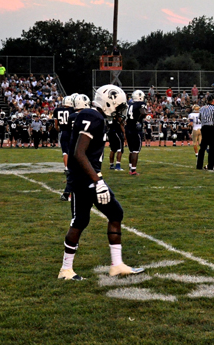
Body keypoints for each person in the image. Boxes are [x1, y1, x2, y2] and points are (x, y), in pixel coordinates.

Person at [58, 84, 144, 281]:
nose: (121, 111)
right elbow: (79, 153)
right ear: (108, 102)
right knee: (110, 214)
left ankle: (70, 269)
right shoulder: (93, 116)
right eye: (119, 106)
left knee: (84, 219)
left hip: (83, 177)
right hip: (86, 178)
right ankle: (110, 265)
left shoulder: (92, 116)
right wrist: (98, 181)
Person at [196, 95, 214, 170]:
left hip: (204, 128)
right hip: (211, 128)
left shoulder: (202, 108)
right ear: (213, 100)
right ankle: (211, 166)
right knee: (213, 148)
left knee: (202, 147)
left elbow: (200, 118)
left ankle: (199, 165)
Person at [126, 90, 147, 176]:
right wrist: (138, 120)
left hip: (128, 128)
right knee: (135, 151)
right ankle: (133, 171)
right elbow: (143, 112)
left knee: (131, 150)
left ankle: (130, 167)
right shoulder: (141, 104)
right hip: (135, 129)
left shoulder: (129, 104)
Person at [54, 95, 76, 175]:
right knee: (73, 150)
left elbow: (56, 124)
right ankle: (74, 167)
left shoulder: (57, 110)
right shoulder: (72, 110)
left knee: (65, 152)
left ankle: (66, 168)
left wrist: (58, 129)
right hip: (71, 132)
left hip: (63, 132)